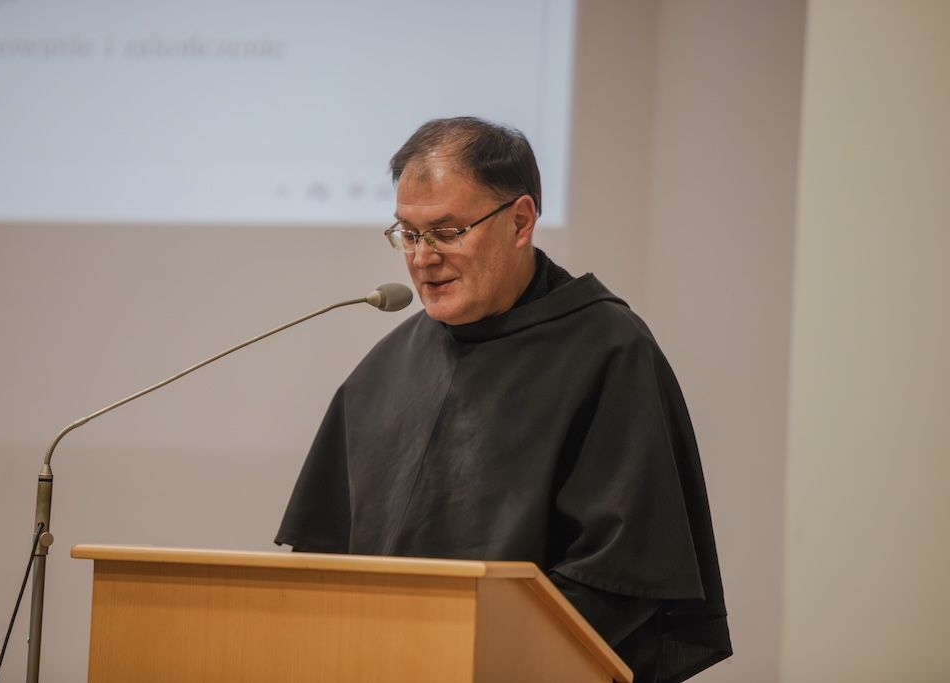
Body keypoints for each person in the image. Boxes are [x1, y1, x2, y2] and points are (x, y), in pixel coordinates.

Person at [275, 117, 732, 682]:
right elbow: (324, 561)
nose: (422, 258)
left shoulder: (608, 350)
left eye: (446, 231)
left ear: (520, 221)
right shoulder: (387, 366)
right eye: (409, 234)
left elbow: (619, 573)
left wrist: (475, 657)